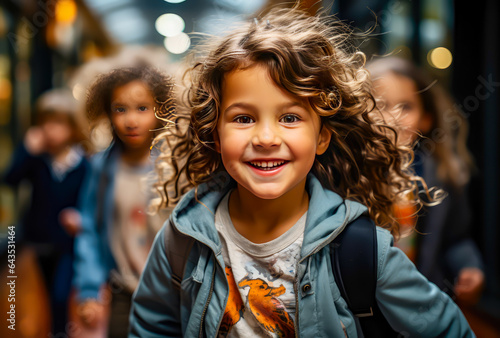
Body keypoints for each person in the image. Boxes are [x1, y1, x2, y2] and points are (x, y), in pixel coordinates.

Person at [129, 8, 473, 337]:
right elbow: (152, 326)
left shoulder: (362, 247)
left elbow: (445, 327)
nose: (266, 138)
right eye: (244, 118)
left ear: (322, 136)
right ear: (214, 136)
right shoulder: (184, 236)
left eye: (290, 118)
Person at [367, 57, 485, 306]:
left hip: (420, 303)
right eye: (380, 104)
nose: (393, 116)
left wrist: (469, 266)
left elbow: (455, 238)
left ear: (426, 120)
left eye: (406, 106)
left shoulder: (441, 175)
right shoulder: (342, 174)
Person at [72, 63, 175, 337]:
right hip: (122, 294)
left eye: (142, 108)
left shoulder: (176, 164)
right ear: (108, 112)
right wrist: (89, 289)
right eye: (121, 109)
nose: (131, 120)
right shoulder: (102, 169)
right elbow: (89, 229)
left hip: (172, 296)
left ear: (160, 110)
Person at [3, 88, 90, 335]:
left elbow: (90, 201)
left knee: (61, 293)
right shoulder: (37, 160)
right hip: (40, 240)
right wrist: (26, 150)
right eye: (45, 123)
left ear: (72, 127)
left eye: (58, 123)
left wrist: (81, 218)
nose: (51, 130)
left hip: (68, 241)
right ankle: (56, 327)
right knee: (48, 289)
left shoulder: (84, 164)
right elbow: (10, 179)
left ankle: (59, 331)